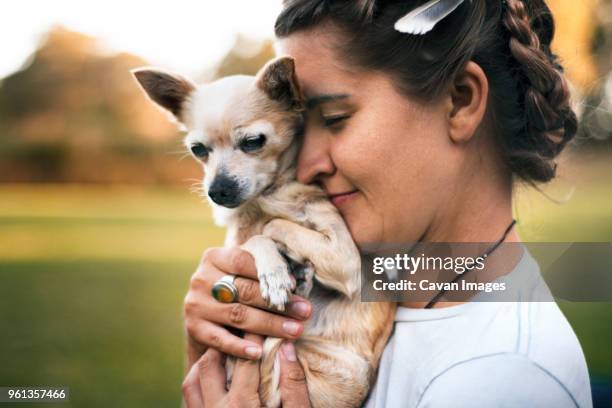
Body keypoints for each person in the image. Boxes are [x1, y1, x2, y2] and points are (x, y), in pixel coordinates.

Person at [181, 0, 592, 406]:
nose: (304, 165)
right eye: (299, 128)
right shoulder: (389, 288)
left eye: (336, 118)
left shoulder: (497, 378)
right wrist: (217, 355)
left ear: (461, 100)